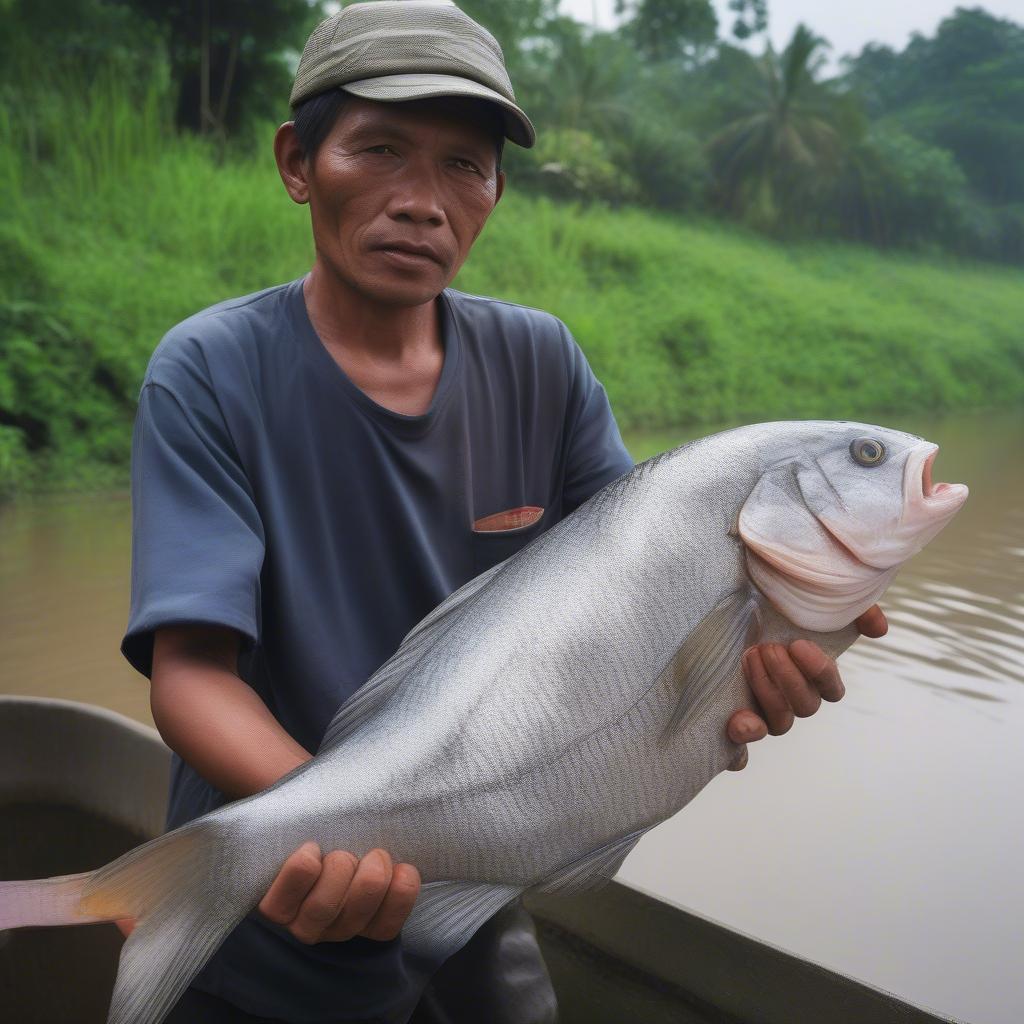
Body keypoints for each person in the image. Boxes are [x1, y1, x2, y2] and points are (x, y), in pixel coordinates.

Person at [119, 3, 888, 1022]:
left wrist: (755, 658)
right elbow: (192, 677)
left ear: (494, 191)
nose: (421, 202)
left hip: (478, 897)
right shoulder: (210, 372)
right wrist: (329, 829)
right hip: (275, 899)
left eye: (462, 167)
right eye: (380, 150)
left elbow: (651, 607)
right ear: (299, 161)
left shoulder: (542, 364)